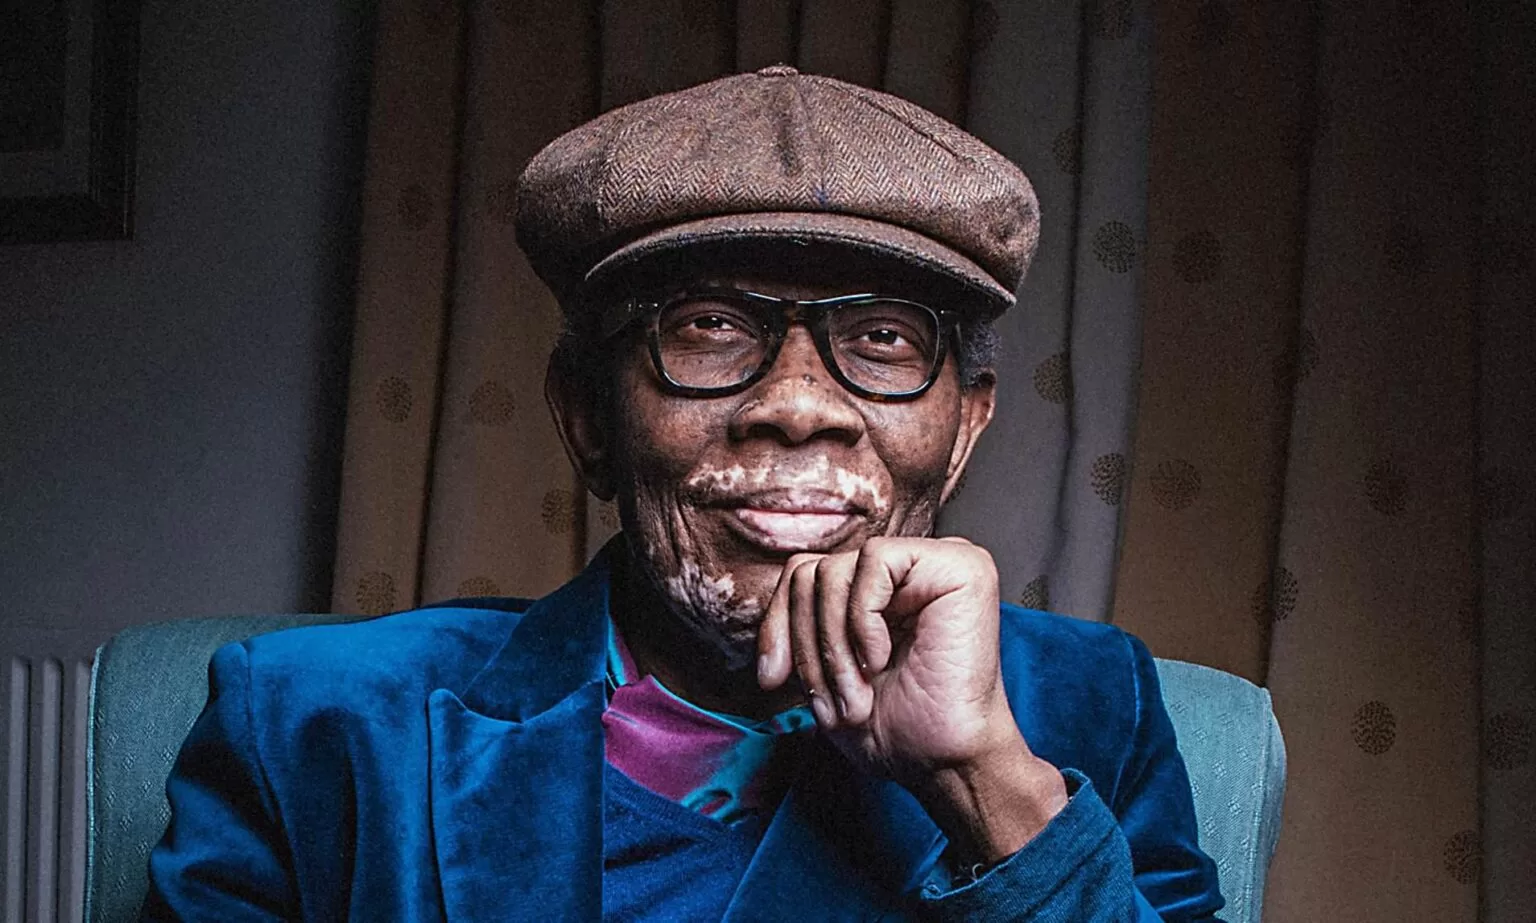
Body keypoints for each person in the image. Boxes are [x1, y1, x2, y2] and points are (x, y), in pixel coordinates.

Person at [143, 67, 1224, 922]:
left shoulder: (1091, 711)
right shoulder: (311, 725)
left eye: (883, 338)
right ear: (585, 416)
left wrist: (992, 788)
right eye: (709, 326)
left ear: (963, 428)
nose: (800, 405)